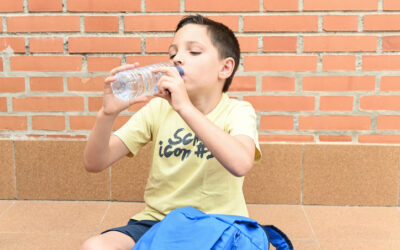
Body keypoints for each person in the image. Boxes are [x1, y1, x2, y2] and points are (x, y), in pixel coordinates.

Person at [80, 14, 261, 250]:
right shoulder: (157, 109)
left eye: (193, 52)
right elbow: (94, 162)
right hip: (158, 221)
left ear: (225, 67)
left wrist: (184, 107)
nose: (178, 59)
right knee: (95, 246)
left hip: (218, 223)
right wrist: (107, 115)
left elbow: (241, 163)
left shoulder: (237, 111)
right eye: (173, 53)